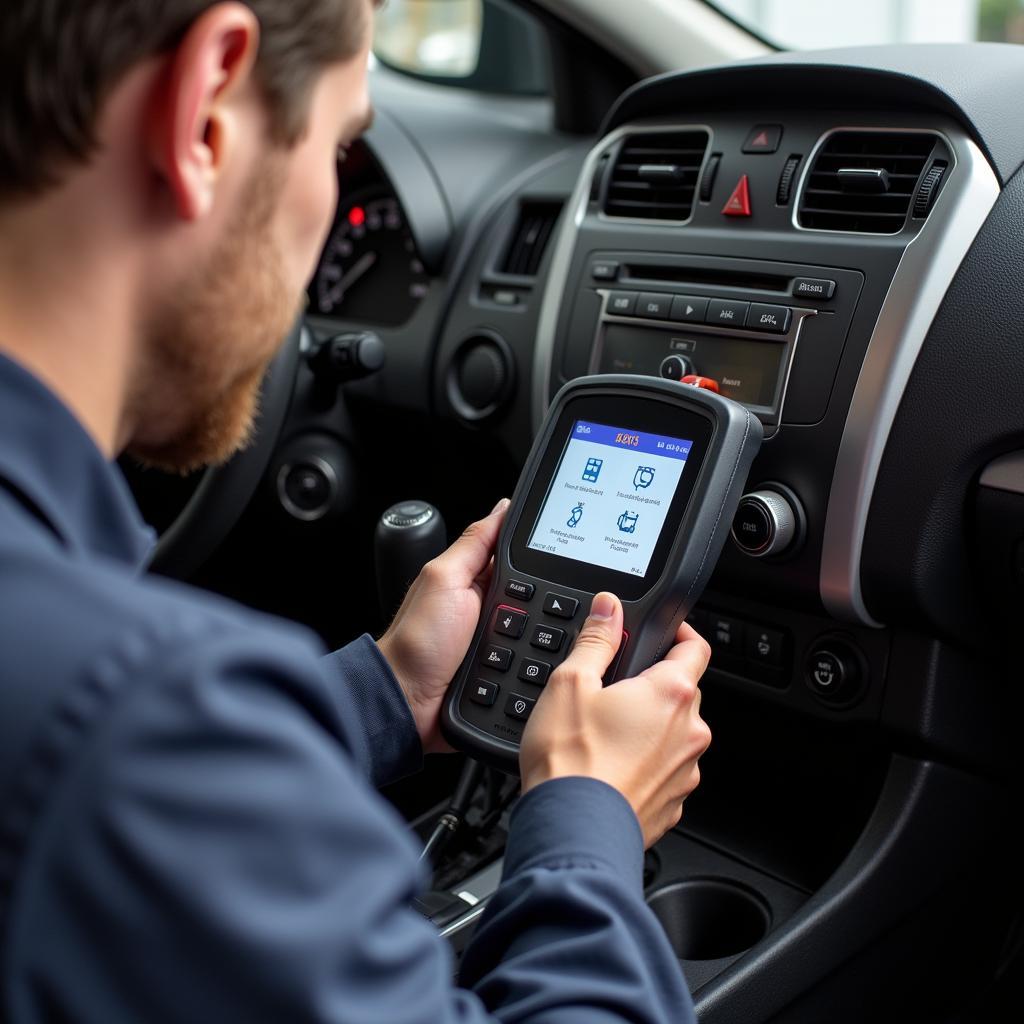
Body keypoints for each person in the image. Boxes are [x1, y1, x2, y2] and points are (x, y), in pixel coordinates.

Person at [0, 1, 712, 1020]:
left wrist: (384, 694)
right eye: (340, 144)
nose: (330, 201)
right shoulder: (136, 722)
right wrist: (586, 826)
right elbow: (134, 759)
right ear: (204, 112)